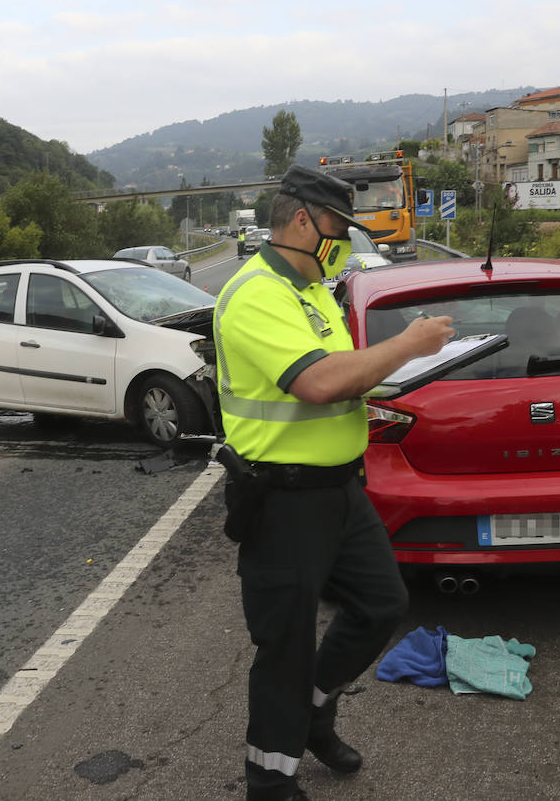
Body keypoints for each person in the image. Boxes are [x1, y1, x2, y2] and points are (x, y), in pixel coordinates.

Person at [213, 164, 455, 801]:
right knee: (284, 647)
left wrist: (392, 378)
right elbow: (317, 382)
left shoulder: (314, 288)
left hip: (340, 492)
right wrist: (409, 345)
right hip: (282, 498)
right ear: (300, 220)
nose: (343, 238)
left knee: (382, 605)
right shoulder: (257, 292)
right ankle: (270, 781)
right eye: (336, 226)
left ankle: (316, 710)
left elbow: (343, 370)